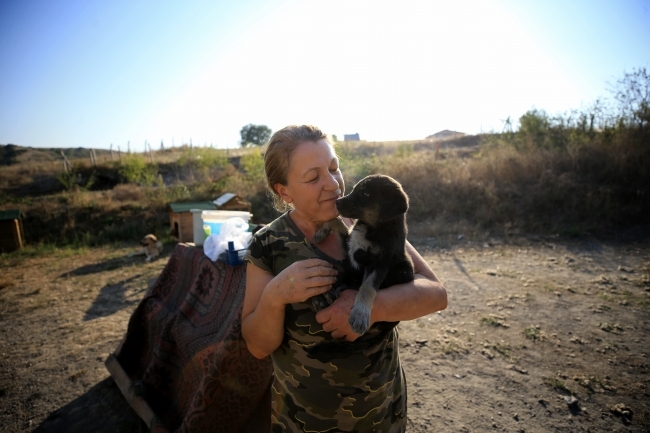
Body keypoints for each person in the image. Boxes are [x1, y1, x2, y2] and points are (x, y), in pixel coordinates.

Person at [242, 125, 447, 432]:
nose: (333, 184)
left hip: (382, 416)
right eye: (313, 177)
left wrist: (373, 306)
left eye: (334, 168)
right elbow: (257, 346)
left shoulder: (368, 219)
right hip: (305, 423)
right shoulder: (268, 244)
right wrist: (276, 294)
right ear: (284, 190)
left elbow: (436, 295)